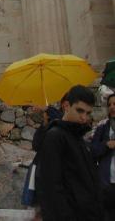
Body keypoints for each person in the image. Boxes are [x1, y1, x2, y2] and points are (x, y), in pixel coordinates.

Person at [36, 85, 102, 221]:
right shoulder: (55, 137)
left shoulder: (77, 136)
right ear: (66, 106)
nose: (84, 118)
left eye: (88, 113)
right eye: (80, 111)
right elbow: (51, 187)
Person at [91, 93, 115, 220]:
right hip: (106, 184)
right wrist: (106, 145)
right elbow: (93, 151)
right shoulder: (102, 126)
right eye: (109, 104)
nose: (112, 107)